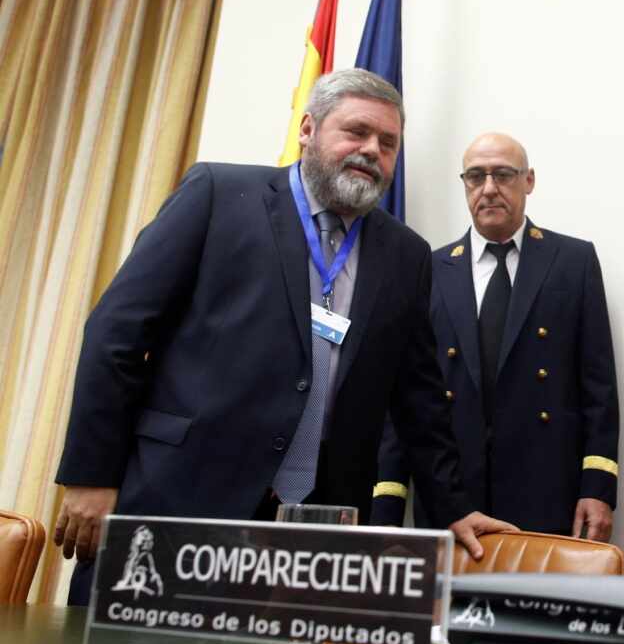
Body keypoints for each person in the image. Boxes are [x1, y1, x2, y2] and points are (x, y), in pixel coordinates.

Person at [53, 69, 516, 605]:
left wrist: (452, 505)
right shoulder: (218, 196)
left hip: (314, 526)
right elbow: (116, 335)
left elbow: (418, 397)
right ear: (308, 129)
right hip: (179, 496)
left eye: (387, 143)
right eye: (357, 132)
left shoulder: (406, 254)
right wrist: (90, 475)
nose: (371, 151)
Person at [372, 133, 619, 541]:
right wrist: (387, 502)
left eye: (503, 175)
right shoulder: (428, 269)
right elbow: (405, 400)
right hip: (450, 498)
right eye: (475, 177)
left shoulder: (572, 263)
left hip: (545, 494)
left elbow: (598, 388)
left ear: (529, 181)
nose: (488, 189)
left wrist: (598, 487)